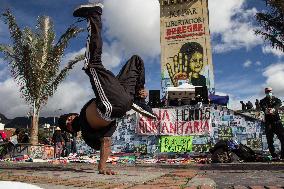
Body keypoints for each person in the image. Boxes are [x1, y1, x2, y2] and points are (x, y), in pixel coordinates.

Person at [58, 3, 156, 175]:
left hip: (117, 98)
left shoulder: (82, 113)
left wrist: (138, 91)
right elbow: (105, 142)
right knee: (91, 64)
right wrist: (102, 166)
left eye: (68, 118)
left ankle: (139, 99)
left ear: (72, 114)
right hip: (109, 109)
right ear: (71, 131)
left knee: (136, 60)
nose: (69, 121)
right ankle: (94, 15)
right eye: (67, 125)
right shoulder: (87, 132)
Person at [260, 87, 284, 160]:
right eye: (267, 91)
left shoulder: (277, 100)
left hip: (277, 122)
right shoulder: (262, 101)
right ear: (265, 92)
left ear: (272, 91)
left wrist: (274, 109)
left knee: (283, 138)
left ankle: (283, 155)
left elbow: (278, 104)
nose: (268, 92)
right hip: (268, 123)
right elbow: (263, 107)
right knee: (269, 140)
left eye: (269, 91)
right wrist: (267, 110)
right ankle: (273, 155)